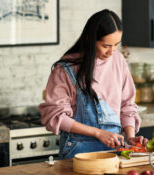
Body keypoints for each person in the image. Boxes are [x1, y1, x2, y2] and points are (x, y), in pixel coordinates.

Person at [38, 9, 147, 159]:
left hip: (115, 153)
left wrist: (130, 137)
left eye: (116, 44)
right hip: (78, 153)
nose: (112, 51)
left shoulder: (118, 60)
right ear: (90, 39)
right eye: (106, 45)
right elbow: (57, 116)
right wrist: (98, 133)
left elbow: (127, 105)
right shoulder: (66, 68)